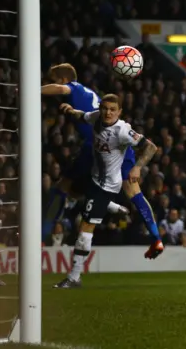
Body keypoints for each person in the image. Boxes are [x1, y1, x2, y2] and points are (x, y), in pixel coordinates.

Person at [41, 64, 164, 259]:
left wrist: (31, 89)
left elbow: (60, 89)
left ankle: (41, 236)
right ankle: (156, 238)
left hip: (96, 147)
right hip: (118, 148)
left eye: (52, 79)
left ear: (63, 79)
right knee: (132, 191)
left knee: (63, 187)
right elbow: (86, 115)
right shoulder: (87, 94)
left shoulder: (72, 87)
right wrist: (71, 110)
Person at [54, 94, 158, 288]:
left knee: (85, 228)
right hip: (93, 178)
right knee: (71, 189)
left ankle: (74, 277)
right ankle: (111, 207)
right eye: (105, 108)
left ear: (119, 112)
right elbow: (82, 115)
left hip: (106, 186)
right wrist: (70, 110)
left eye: (112, 109)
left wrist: (137, 168)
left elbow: (151, 147)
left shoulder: (123, 131)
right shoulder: (96, 118)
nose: (108, 112)